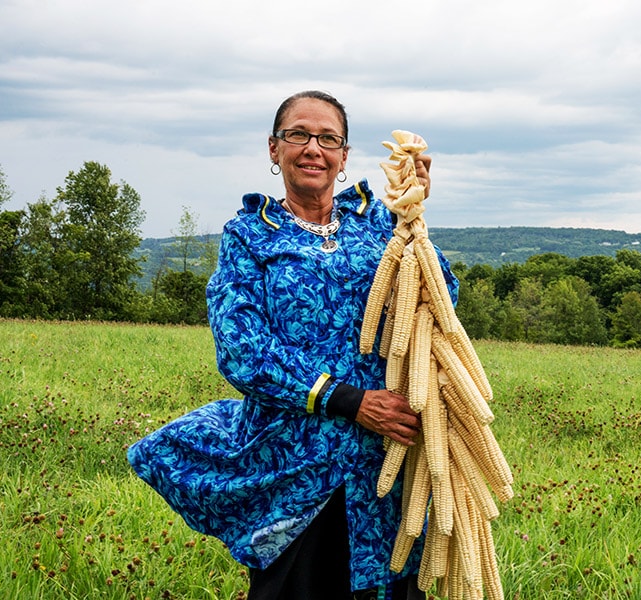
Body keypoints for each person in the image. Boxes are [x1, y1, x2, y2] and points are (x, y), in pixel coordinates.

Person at [128, 90, 458, 600]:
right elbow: (241, 348)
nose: (313, 148)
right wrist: (348, 401)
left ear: (344, 156)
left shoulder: (378, 223)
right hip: (296, 457)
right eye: (298, 135)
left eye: (328, 138)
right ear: (273, 148)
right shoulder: (250, 236)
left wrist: (415, 219)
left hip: (384, 460)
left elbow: (438, 305)